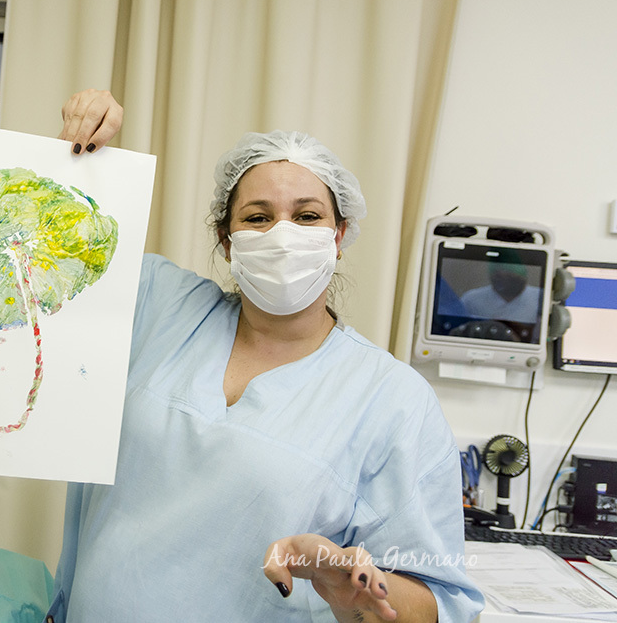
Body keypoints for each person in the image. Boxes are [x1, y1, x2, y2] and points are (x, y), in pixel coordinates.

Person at [45, 89, 484, 623]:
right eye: (257, 217)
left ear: (339, 235)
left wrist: (358, 592)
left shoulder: (394, 401)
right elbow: (40, 263)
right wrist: (79, 158)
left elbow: (443, 603)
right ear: (226, 240)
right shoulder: (158, 303)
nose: (282, 236)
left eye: (307, 216)